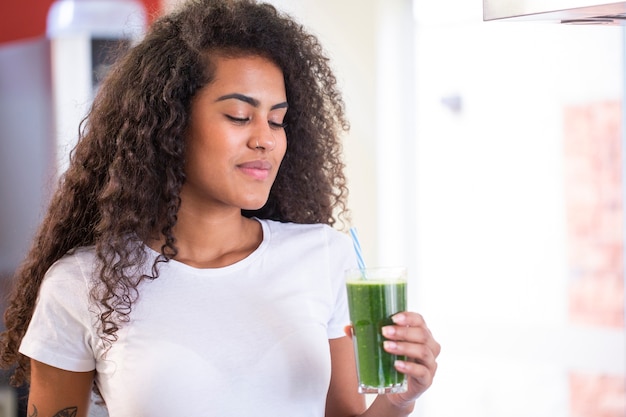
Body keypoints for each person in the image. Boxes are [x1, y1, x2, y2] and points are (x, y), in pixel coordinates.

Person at [0, 0, 440, 416]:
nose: (265, 138)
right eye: (238, 116)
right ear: (168, 124)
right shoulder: (82, 284)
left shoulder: (323, 256)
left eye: (277, 119)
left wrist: (400, 400)